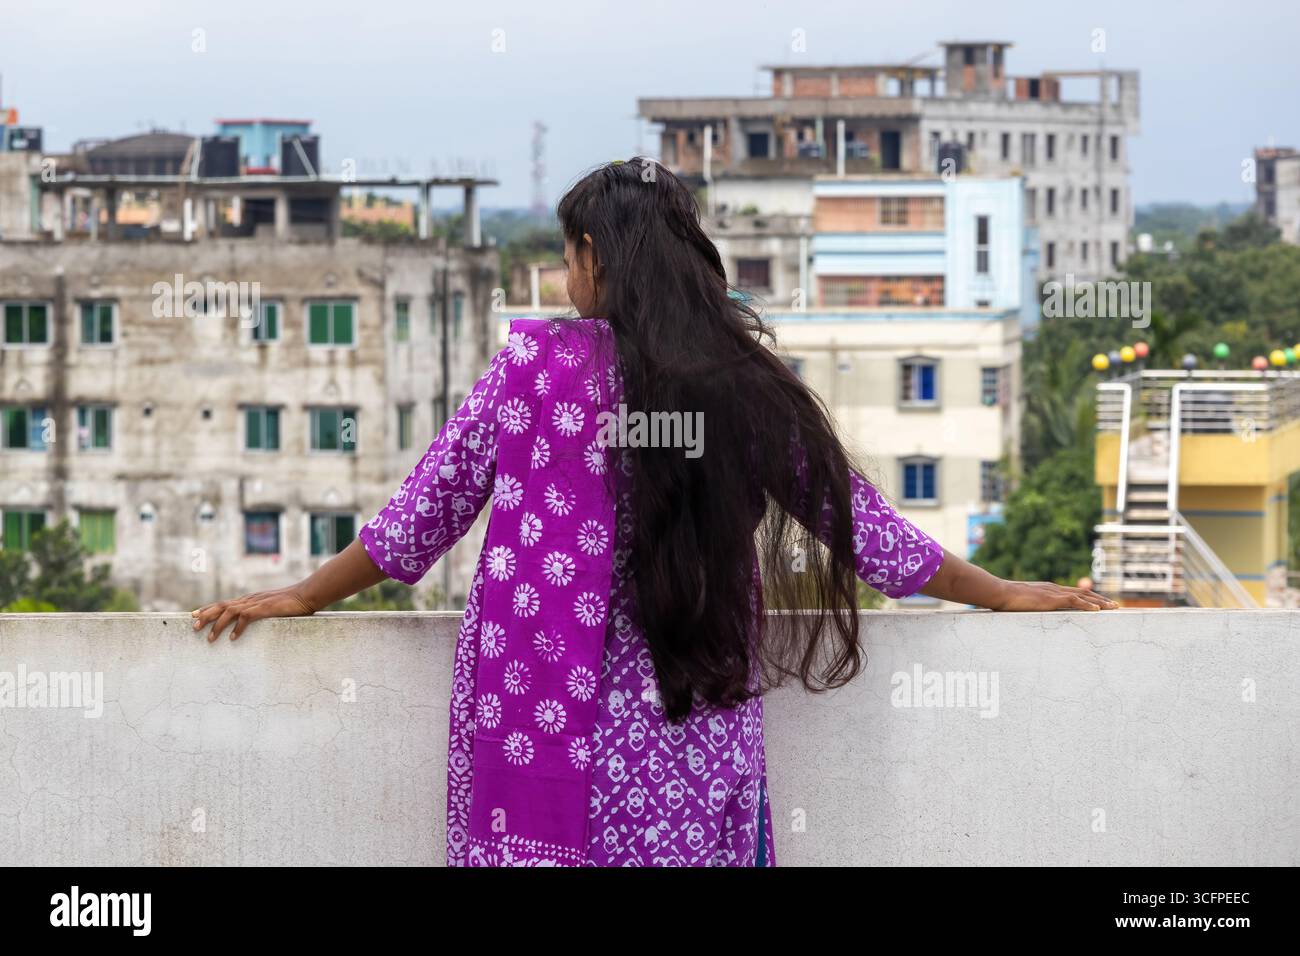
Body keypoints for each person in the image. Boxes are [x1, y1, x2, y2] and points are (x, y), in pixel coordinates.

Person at [192, 159, 1116, 867]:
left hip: (543, 743)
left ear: (594, 259)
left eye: (565, 258)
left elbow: (418, 522)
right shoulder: (742, 386)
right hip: (693, 730)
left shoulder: (534, 377)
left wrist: (307, 596)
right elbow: (862, 529)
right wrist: (994, 594)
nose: (563, 279)